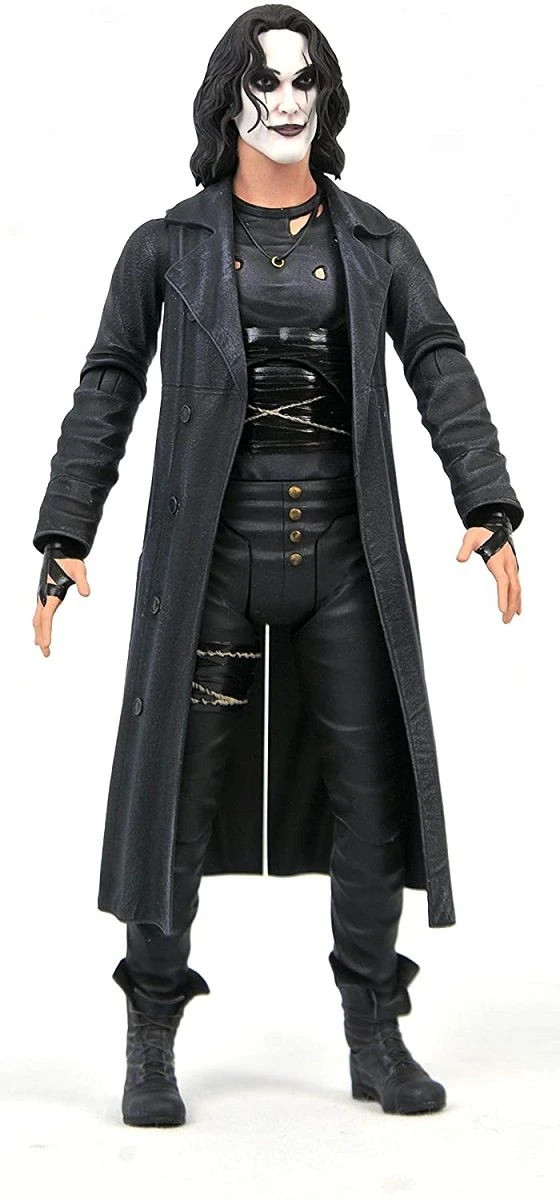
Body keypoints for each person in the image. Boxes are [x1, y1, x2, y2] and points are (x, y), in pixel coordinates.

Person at [32, 4, 523, 1126]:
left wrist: (486, 501)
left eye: (306, 81)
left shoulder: (375, 243)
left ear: (328, 97)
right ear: (229, 98)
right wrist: (66, 532)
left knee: (371, 796)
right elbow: (109, 383)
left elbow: (438, 361)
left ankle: (374, 1031)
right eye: (267, 81)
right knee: (178, 792)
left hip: (344, 560)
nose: (289, 101)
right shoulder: (168, 246)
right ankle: (150, 1038)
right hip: (212, 560)